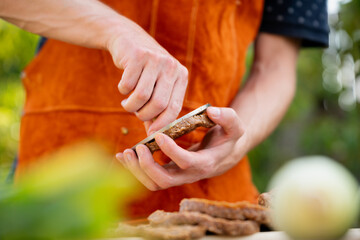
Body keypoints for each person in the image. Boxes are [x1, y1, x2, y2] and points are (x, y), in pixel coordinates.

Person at [0, 0, 328, 218]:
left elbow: (275, 68)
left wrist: (233, 145)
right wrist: (116, 30)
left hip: (206, 193)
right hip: (57, 175)